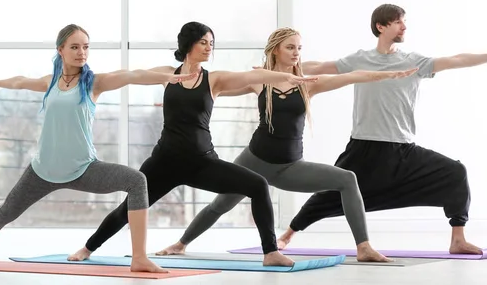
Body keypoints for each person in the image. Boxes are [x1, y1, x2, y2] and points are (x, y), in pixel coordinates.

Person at [0, 24, 198, 273]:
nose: (81, 52)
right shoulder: (50, 82)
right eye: (75, 47)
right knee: (5, 213)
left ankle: (139, 258)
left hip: (83, 168)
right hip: (42, 170)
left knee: (137, 181)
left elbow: (133, 75)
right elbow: (21, 81)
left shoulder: (94, 83)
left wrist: (167, 77)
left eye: (85, 47)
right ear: (61, 50)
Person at [278, 4, 487, 254]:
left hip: (403, 149)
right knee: (330, 193)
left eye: (404, 21)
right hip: (365, 147)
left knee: (455, 173)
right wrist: (276, 67)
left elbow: (456, 60)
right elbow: (320, 67)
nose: (404, 27)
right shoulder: (359, 59)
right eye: (399, 22)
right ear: (381, 26)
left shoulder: (413, 62)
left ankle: (458, 239)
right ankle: (288, 235)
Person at [155, 27, 418, 262]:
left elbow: (352, 76)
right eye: (290, 47)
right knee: (220, 205)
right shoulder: (259, 82)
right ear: (276, 50)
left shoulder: (307, 85)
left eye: (299, 48)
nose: (296, 53)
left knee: (347, 179)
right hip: (253, 162)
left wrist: (388, 74)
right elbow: (212, 90)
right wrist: (179, 100)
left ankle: (364, 247)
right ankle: (180, 244)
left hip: (290, 166)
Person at [68, 22, 319, 267]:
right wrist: (90, 79)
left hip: (202, 163)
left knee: (258, 185)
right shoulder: (168, 75)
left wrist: (286, 76)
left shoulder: (214, 79)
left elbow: (251, 75)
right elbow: (134, 75)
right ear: (189, 43)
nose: (209, 47)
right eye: (203, 42)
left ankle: (271, 252)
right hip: (164, 163)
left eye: (211, 43)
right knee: (128, 208)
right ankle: (87, 248)